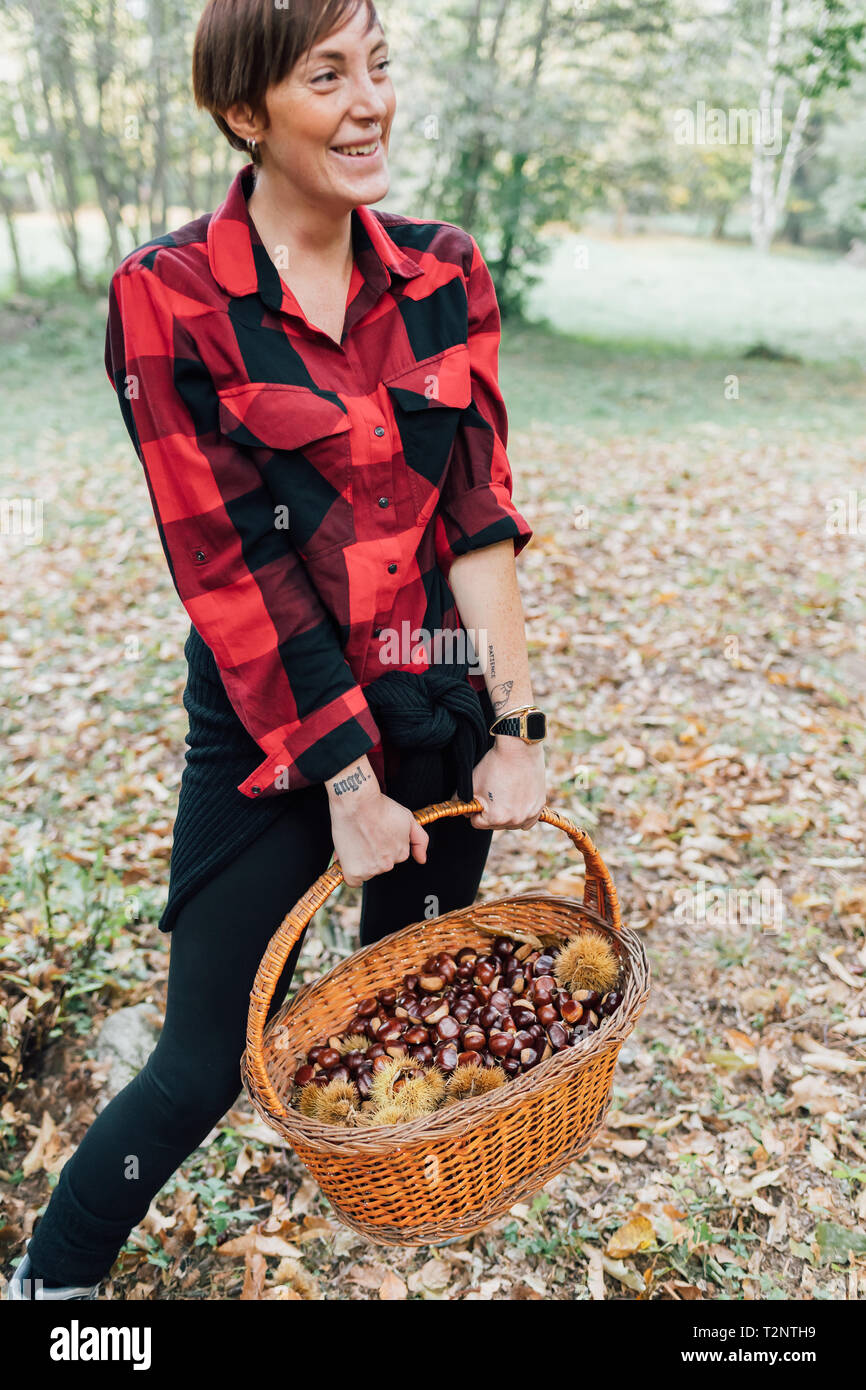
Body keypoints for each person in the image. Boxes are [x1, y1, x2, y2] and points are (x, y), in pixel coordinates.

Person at [5, 0, 547, 1301]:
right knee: (206, 1053)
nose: (370, 103)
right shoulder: (169, 293)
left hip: (436, 707)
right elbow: (227, 567)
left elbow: (476, 513)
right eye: (326, 76)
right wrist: (345, 781)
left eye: (380, 68)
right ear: (246, 111)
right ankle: (52, 1285)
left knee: (402, 1009)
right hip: (272, 725)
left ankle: (383, 1231)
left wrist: (515, 723)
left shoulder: (443, 269)